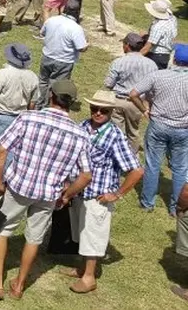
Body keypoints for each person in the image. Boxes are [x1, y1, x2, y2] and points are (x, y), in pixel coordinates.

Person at [0, 80, 92, 301]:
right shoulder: (80, 133)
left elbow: (2, 149)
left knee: (2, 229)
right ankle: (19, 285)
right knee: (34, 238)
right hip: (48, 194)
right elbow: (86, 175)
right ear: (71, 103)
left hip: (20, 187)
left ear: (51, 95)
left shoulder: (28, 118)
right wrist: (66, 195)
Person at [63, 90, 144, 294]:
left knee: (93, 236)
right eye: (94, 108)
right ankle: (82, 268)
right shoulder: (83, 126)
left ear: (111, 112)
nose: (98, 113)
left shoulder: (115, 135)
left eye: (104, 110)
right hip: (78, 192)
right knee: (82, 233)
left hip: (97, 196)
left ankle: (89, 278)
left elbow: (136, 170)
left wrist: (116, 194)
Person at [130, 44, 188, 216]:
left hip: (158, 125)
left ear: (174, 59)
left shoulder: (158, 75)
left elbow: (133, 94)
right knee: (180, 168)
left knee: (152, 164)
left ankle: (147, 203)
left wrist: (144, 110)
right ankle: (176, 207)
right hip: (182, 129)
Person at [105, 33, 158, 151]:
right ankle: (132, 156)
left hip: (118, 101)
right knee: (133, 132)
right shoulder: (151, 64)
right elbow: (152, 88)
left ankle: (114, 152)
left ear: (127, 45)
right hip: (137, 103)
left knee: (115, 130)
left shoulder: (119, 62)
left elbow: (108, 84)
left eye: (123, 44)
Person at [36, 0, 88, 107]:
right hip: (64, 61)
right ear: (77, 12)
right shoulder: (76, 28)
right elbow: (81, 48)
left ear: (64, 9)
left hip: (47, 57)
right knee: (56, 85)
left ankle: (39, 103)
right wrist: (87, 45)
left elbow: (42, 33)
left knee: (43, 81)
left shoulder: (51, 20)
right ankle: (49, 106)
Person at [141, 0, 178, 69]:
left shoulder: (158, 26)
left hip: (156, 56)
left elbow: (148, 46)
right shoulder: (173, 18)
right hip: (166, 55)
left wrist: (135, 57)